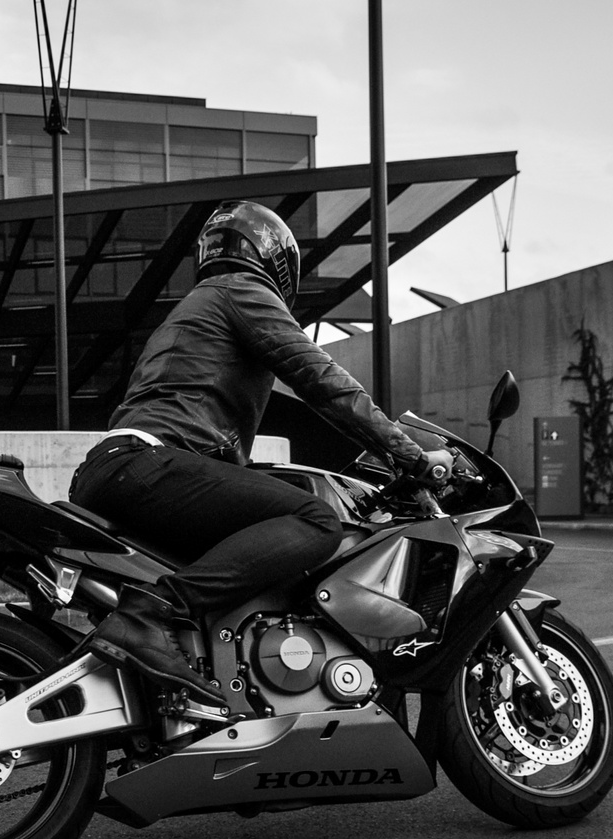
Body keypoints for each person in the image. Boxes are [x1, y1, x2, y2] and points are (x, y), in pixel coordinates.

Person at [69, 200, 454, 706]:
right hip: (148, 464)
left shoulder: (201, 305)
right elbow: (323, 382)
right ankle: (153, 613)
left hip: (123, 466)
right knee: (316, 521)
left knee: (267, 536)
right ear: (275, 258)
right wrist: (410, 455)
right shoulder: (241, 291)